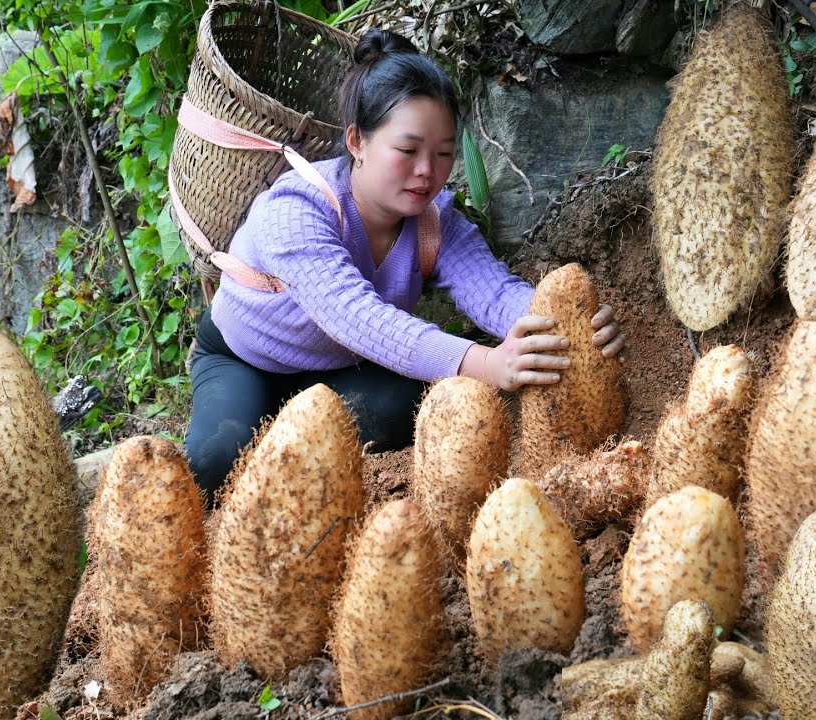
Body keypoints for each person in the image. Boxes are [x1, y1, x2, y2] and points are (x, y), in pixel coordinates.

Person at [184, 28, 625, 500]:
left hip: (336, 371)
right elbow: (357, 318)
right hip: (245, 357)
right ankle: (257, 418)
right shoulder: (295, 210)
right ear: (357, 140)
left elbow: (494, 293)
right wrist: (487, 362)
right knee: (215, 462)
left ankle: (284, 428)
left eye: (443, 155)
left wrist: (565, 326)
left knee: (405, 410)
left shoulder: (435, 221)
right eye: (408, 150)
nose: (427, 172)